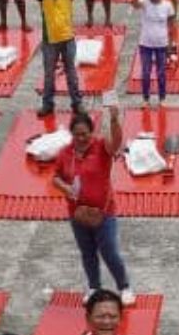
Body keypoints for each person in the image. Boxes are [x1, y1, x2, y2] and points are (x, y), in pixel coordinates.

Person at [52, 107, 135, 300]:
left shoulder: (100, 147)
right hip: (77, 213)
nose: (81, 138)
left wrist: (114, 120)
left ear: (92, 131)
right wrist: (65, 188)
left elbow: (116, 143)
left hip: (104, 212)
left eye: (84, 134)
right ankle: (94, 287)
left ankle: (124, 286)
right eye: (77, 134)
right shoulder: (65, 153)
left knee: (109, 252)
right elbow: (55, 177)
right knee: (87, 252)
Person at [135, 0, 179, 106]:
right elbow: (133, 3)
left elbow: (172, 26)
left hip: (162, 44)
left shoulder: (168, 6)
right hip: (145, 44)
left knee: (161, 73)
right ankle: (146, 99)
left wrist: (171, 44)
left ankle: (162, 98)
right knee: (146, 72)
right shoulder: (144, 2)